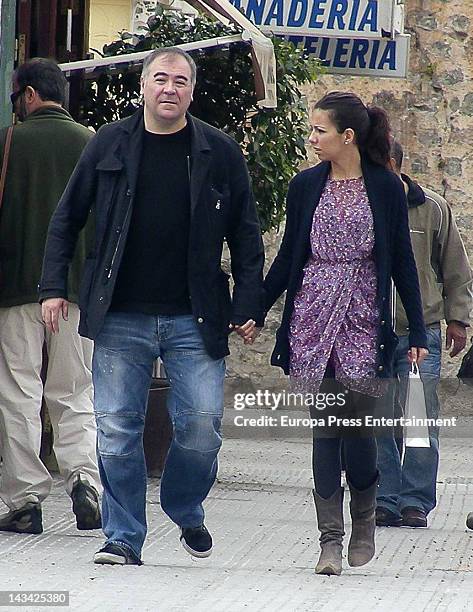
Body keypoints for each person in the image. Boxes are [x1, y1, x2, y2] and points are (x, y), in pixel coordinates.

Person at [40, 47, 265, 565]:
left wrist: (247, 304)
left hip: (196, 315)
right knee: (117, 427)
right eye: (160, 79)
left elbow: (246, 235)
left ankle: (183, 504)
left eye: (180, 81)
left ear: (192, 90)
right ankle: (122, 536)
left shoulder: (219, 152)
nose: (169, 89)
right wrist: (53, 287)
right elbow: (66, 219)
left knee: (203, 426)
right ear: (144, 86)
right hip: (121, 313)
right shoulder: (109, 143)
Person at [259, 91, 428, 576]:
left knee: (359, 431)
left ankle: (364, 519)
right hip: (313, 315)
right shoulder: (305, 186)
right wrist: (252, 309)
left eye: (319, 130)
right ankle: (329, 540)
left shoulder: (386, 187)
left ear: (346, 136)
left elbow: (401, 263)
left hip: (363, 318)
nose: (311, 139)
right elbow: (290, 256)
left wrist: (416, 327)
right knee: (326, 428)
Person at [0, 58, 101, 534]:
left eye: (16, 97)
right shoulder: (93, 144)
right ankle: (84, 480)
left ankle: (24, 500)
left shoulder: (8, 143)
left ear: (30, 95)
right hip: (76, 292)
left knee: (19, 392)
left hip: (18, 289)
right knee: (75, 389)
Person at [375, 140, 473, 528]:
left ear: (396, 166)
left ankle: (415, 500)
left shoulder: (432, 208)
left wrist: (458, 320)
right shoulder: (360, 205)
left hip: (422, 332)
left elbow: (455, 268)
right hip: (371, 333)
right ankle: (383, 496)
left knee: (420, 419)